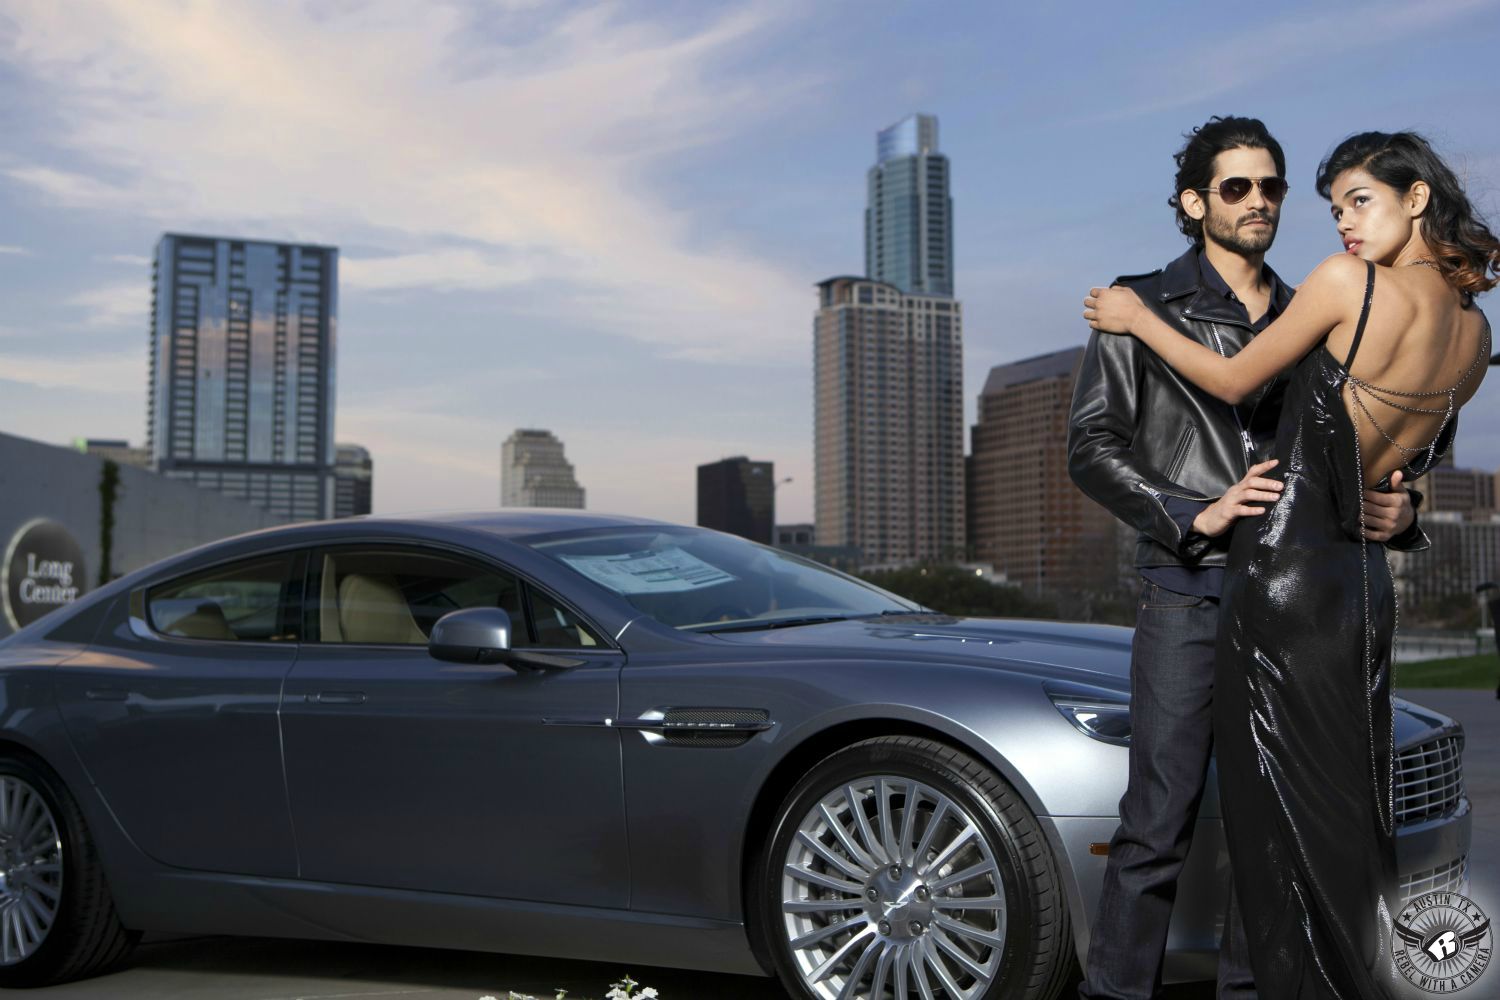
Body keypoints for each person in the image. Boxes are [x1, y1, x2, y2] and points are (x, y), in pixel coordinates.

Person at [1084, 130, 1495, 997]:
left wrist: (1408, 506)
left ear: (1413, 200)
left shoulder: (1326, 291)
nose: (1262, 201)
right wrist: (1194, 511)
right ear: (1196, 202)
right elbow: (1091, 447)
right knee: (1164, 822)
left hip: (1286, 579)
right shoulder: (1147, 297)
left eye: (1272, 186)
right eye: (1236, 188)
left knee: (1272, 821)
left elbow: (1389, 449)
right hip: (1202, 584)